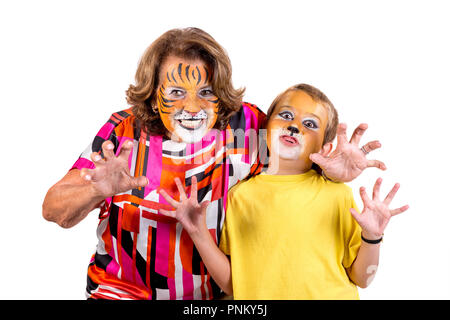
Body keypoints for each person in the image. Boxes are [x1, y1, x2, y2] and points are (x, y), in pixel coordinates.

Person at [42, 27, 386, 300]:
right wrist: (96, 188)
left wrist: (331, 170)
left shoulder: (246, 126)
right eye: (176, 92)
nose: (192, 106)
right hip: (122, 293)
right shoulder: (126, 131)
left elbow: (299, 152)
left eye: (206, 92)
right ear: (153, 90)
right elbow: (54, 208)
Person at [159, 83, 409, 299]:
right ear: (266, 127)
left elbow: (363, 279)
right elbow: (235, 284)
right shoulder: (240, 196)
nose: (294, 126)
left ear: (325, 146)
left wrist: (372, 237)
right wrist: (198, 232)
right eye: (286, 115)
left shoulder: (338, 194)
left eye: (309, 123)